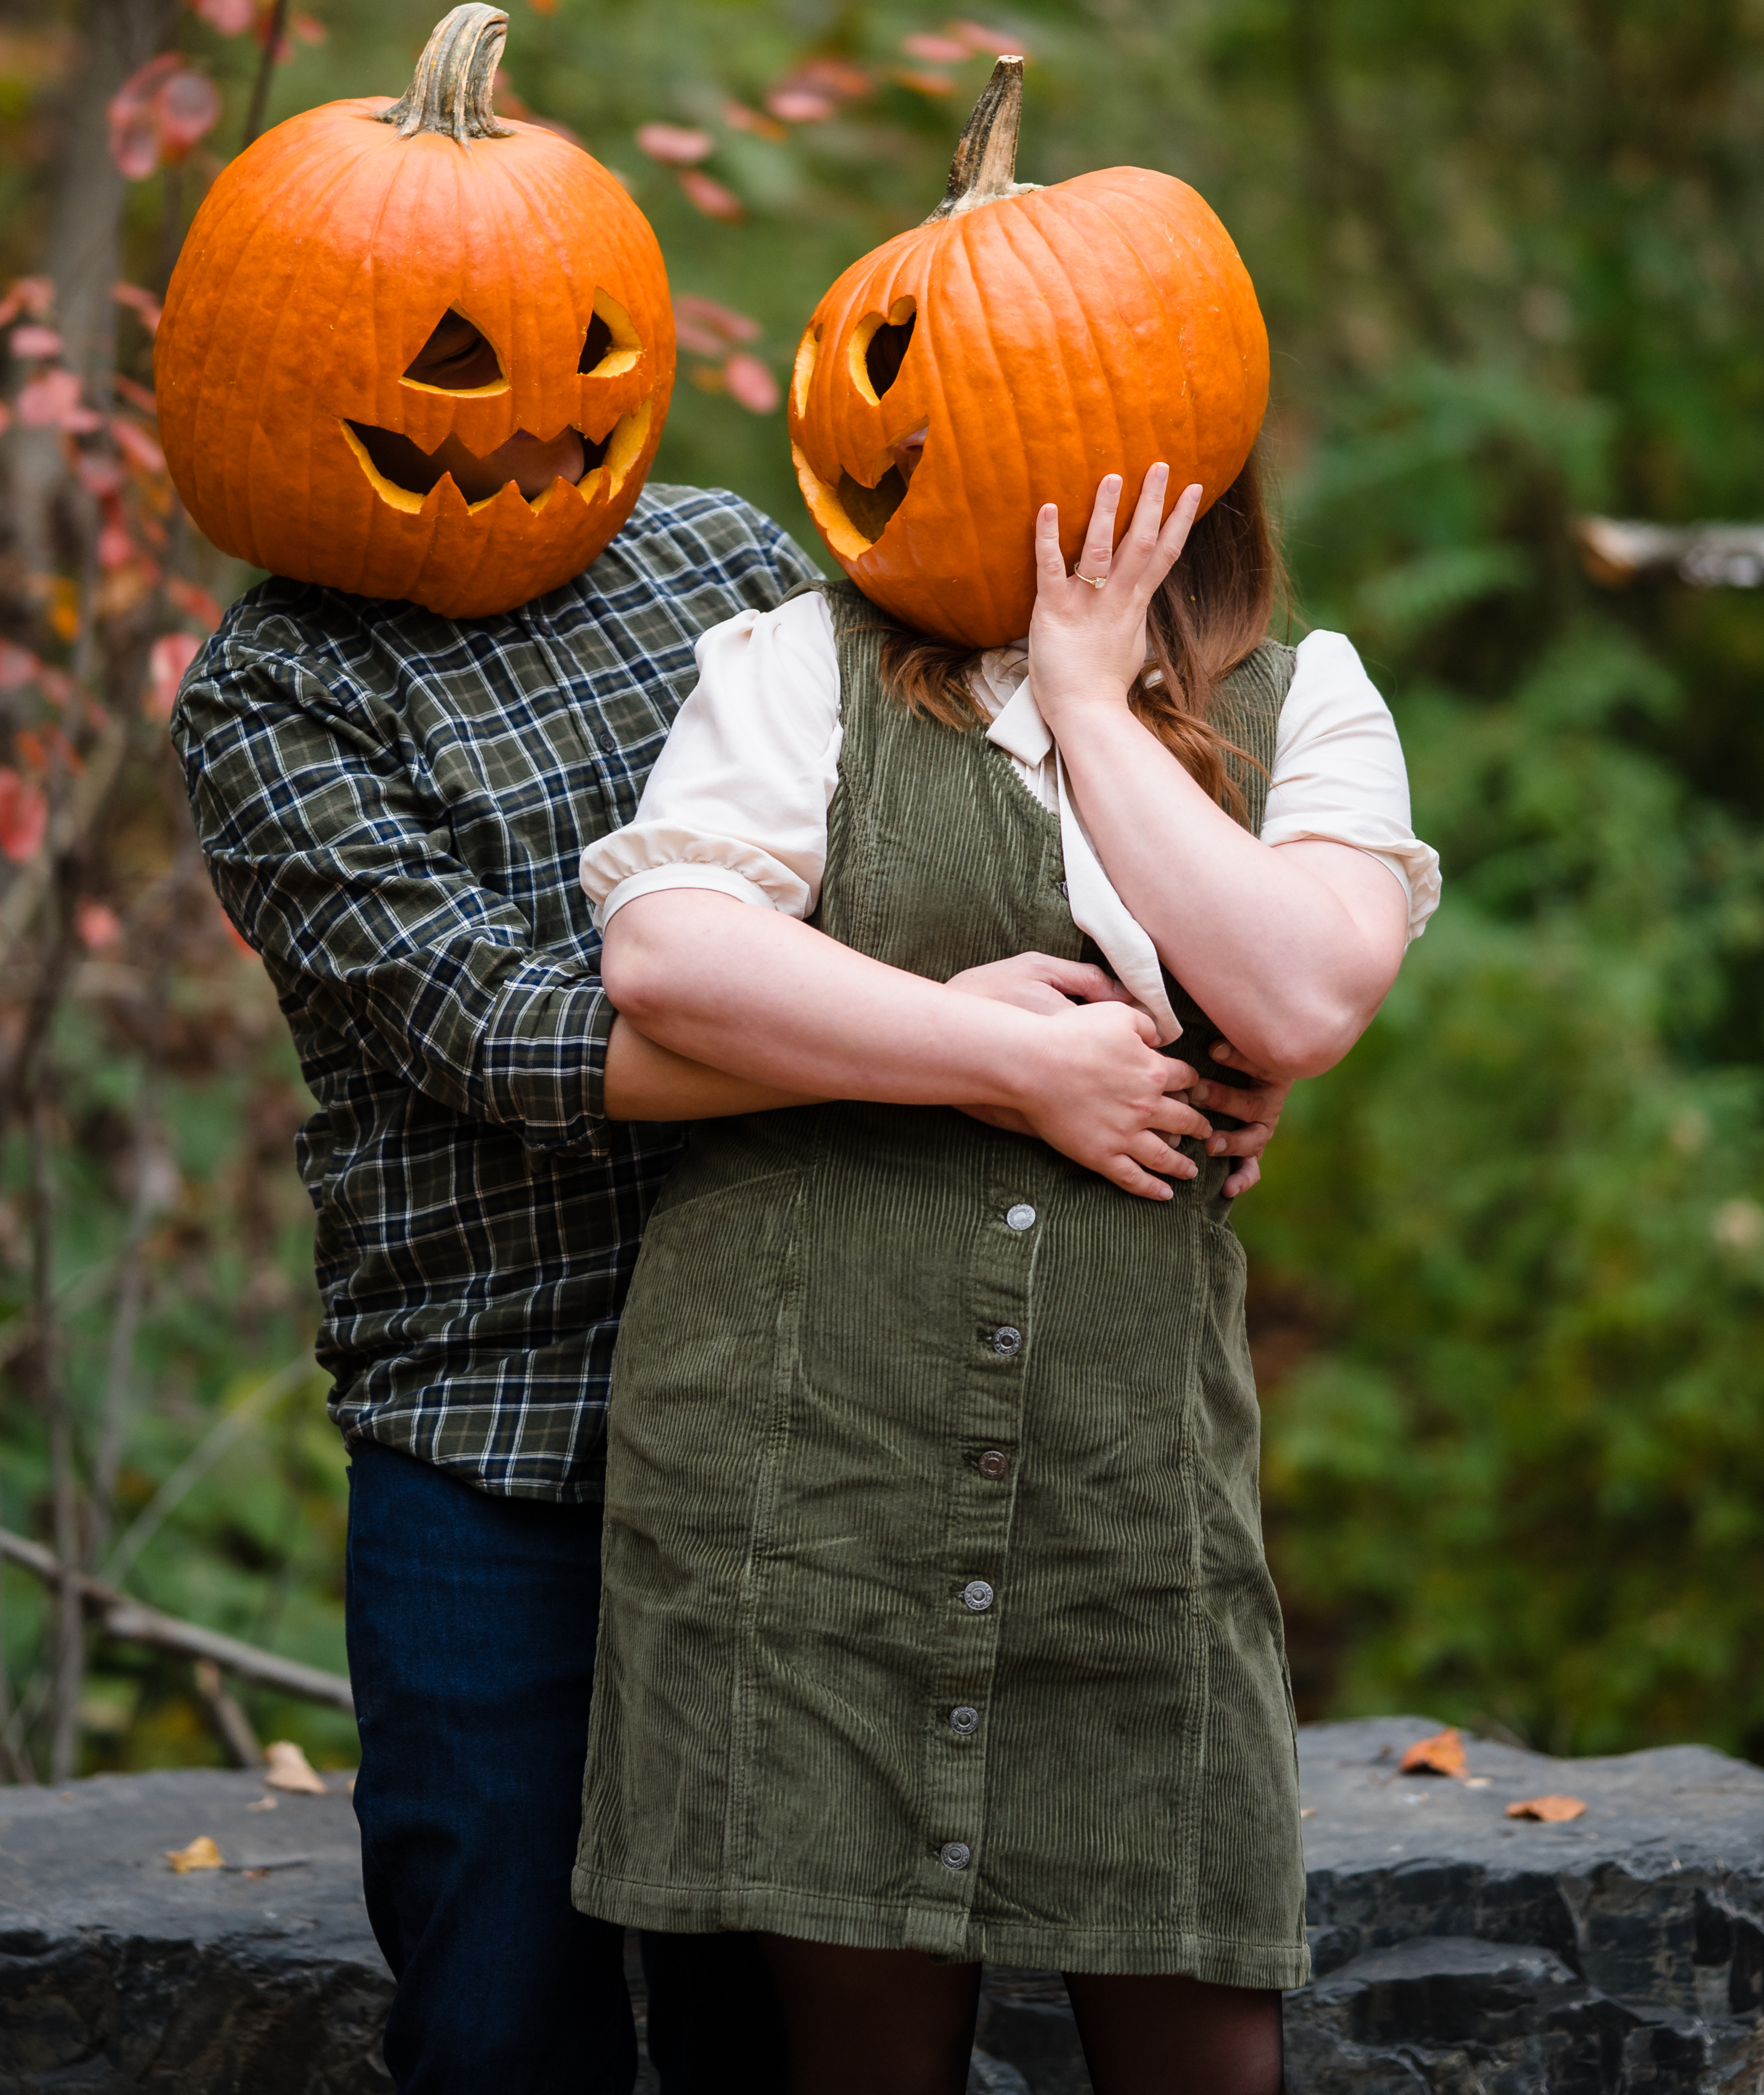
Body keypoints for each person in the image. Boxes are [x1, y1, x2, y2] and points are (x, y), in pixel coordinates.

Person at [170, 417, 1296, 2095]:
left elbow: (942, 848)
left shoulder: (723, 560)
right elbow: (501, 1028)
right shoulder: (271, 693)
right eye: (436, 373)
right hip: (501, 1408)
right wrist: (973, 1054)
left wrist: (1193, 1052)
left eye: (541, 357)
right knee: (499, 2005)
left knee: (771, 2017)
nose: (498, 421)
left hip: (837, 1393)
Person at [571, 458, 1440, 2095]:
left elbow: (1306, 999)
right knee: (856, 2065)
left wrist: (1090, 706)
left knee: (1206, 2051)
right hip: (812, 1469)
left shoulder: (1309, 698)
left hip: (1127, 1491)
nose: (1002, 454)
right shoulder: (791, 665)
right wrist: (1000, 1060)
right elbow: (670, 951)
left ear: (1190, 452)